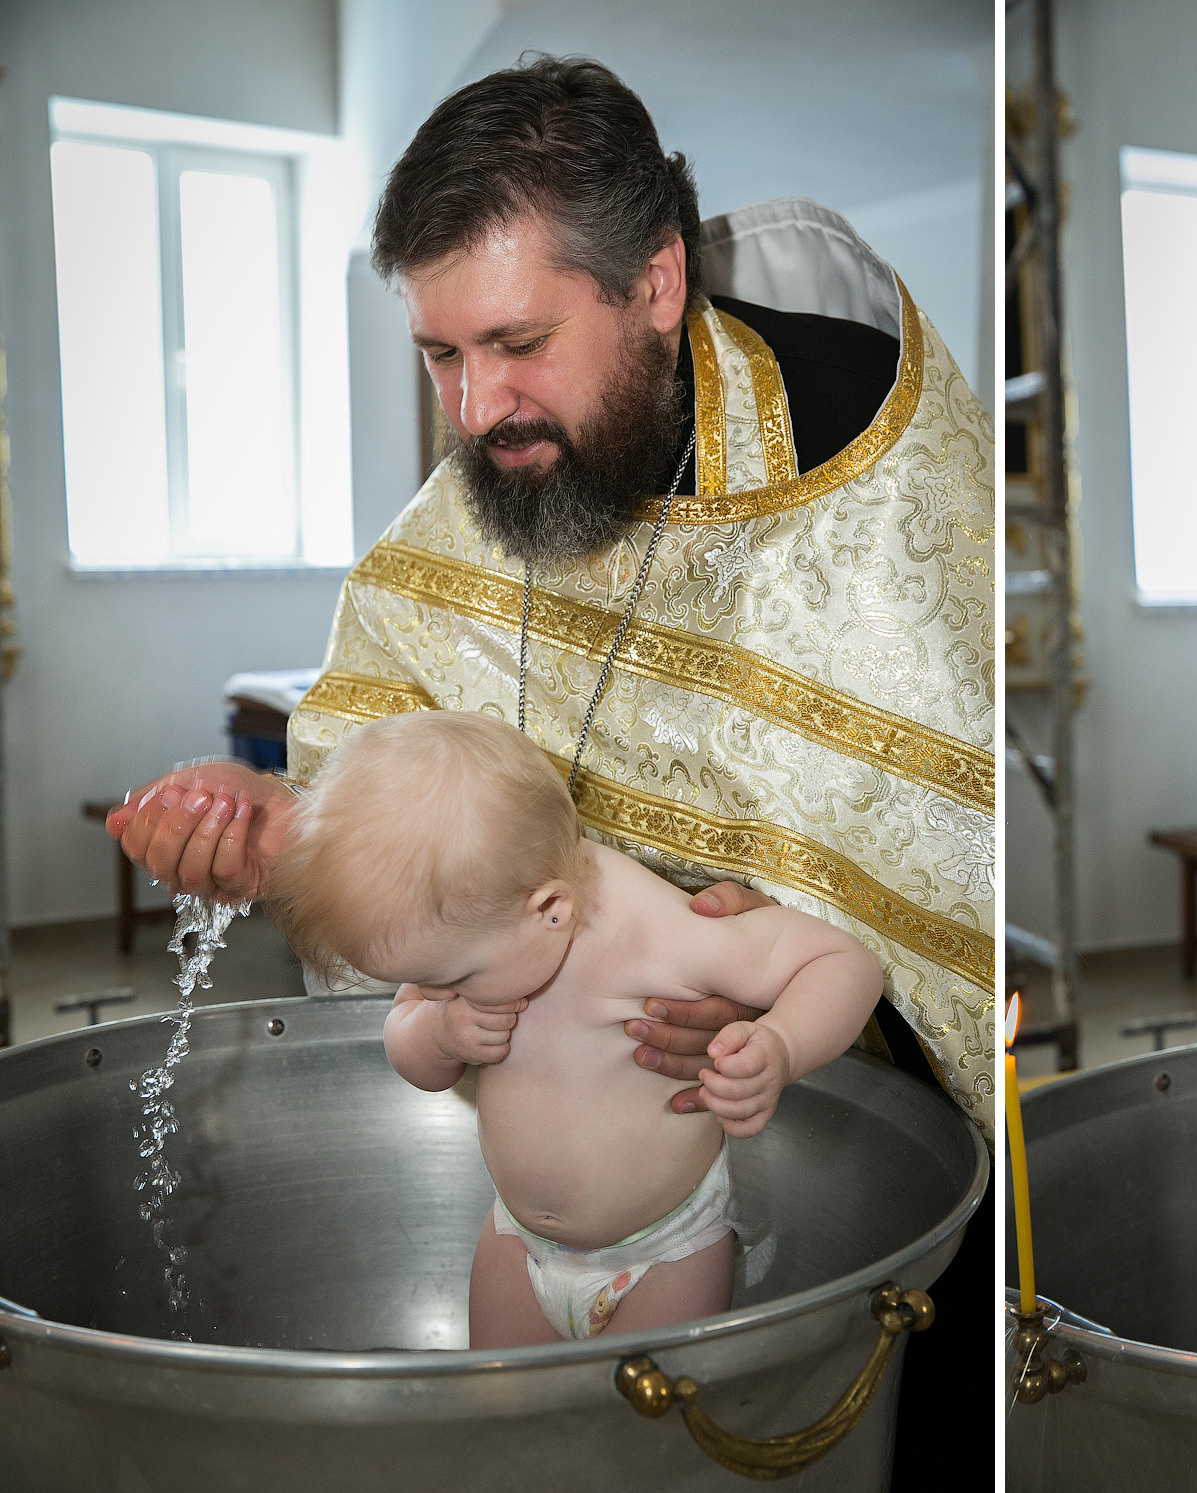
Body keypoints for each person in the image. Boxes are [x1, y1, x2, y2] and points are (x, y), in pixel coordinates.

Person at [104, 55, 992, 1463]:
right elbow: (383, 770)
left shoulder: (875, 463)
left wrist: (787, 978)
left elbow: (950, 850)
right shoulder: (496, 487)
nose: (474, 409)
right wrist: (292, 819)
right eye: (442, 355)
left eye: (515, 343)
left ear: (654, 280)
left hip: (846, 1148)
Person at [265, 712, 882, 1346]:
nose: (438, 996)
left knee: (644, 1434)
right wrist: (437, 1035)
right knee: (502, 1418)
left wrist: (782, 1047)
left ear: (551, 911)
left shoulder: (656, 932)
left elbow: (843, 963)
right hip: (517, 1243)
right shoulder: (466, 931)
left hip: (665, 1258)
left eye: (451, 982)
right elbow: (408, 1041)